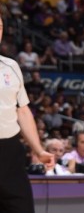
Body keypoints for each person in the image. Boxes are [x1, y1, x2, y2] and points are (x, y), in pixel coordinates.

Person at [0, 14, 53, 213]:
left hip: (10, 151)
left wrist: (38, 150)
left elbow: (22, 110)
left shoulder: (11, 66)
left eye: (0, 26)